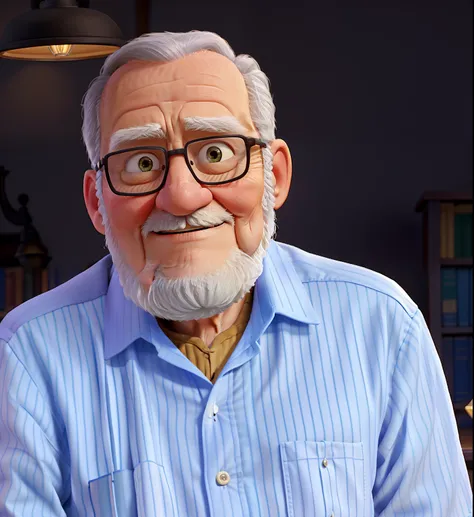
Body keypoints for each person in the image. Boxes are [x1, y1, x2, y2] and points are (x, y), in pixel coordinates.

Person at [0, 31, 471, 517]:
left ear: (275, 175)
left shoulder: (383, 328)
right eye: (142, 163)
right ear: (97, 201)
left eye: (216, 154)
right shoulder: (28, 356)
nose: (181, 196)